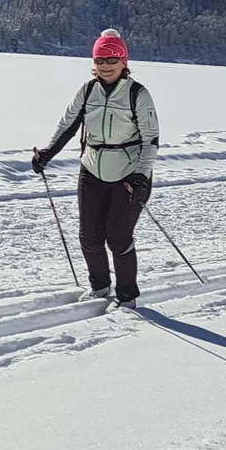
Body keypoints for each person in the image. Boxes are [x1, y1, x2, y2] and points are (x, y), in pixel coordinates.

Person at [31, 29, 161, 309]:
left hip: (129, 174)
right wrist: (47, 153)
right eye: (100, 58)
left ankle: (127, 297)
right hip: (91, 169)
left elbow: (151, 140)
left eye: (112, 58)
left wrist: (141, 174)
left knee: (118, 236)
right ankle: (100, 287)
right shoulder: (88, 90)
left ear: (123, 61)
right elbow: (68, 124)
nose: (105, 64)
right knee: (89, 236)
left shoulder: (138, 93)